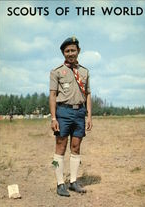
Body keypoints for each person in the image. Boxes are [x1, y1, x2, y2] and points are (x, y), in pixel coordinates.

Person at [49, 36, 92, 197]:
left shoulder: (84, 71)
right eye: (67, 51)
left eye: (73, 50)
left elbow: (88, 94)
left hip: (80, 112)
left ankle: (73, 182)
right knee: (60, 148)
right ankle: (60, 183)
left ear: (78, 51)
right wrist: (54, 118)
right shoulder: (57, 72)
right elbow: (52, 95)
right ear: (63, 53)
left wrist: (89, 116)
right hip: (63, 112)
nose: (70, 53)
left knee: (76, 147)